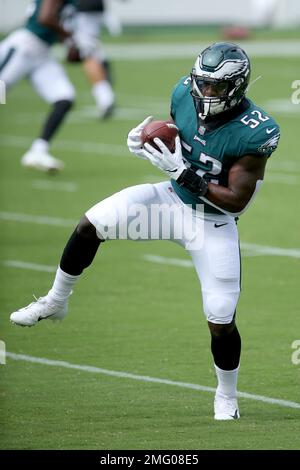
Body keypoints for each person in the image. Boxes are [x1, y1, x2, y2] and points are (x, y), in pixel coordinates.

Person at [10, 42, 280, 420]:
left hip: (212, 222)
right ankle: (56, 300)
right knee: (92, 224)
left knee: (220, 317)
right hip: (170, 202)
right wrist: (144, 141)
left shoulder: (255, 132)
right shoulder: (182, 93)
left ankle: (227, 396)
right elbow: (175, 136)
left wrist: (181, 172)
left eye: (215, 87)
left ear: (236, 86)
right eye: (201, 82)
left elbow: (236, 200)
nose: (204, 92)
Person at [0, 0, 78, 171]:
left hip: (42, 53)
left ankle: (38, 151)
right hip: (23, 47)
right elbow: (45, 17)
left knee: (64, 98)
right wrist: (69, 37)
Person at [69, 0, 120, 119]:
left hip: (82, 10)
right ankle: (104, 70)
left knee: (88, 53)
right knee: (92, 50)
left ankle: (105, 98)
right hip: (89, 9)